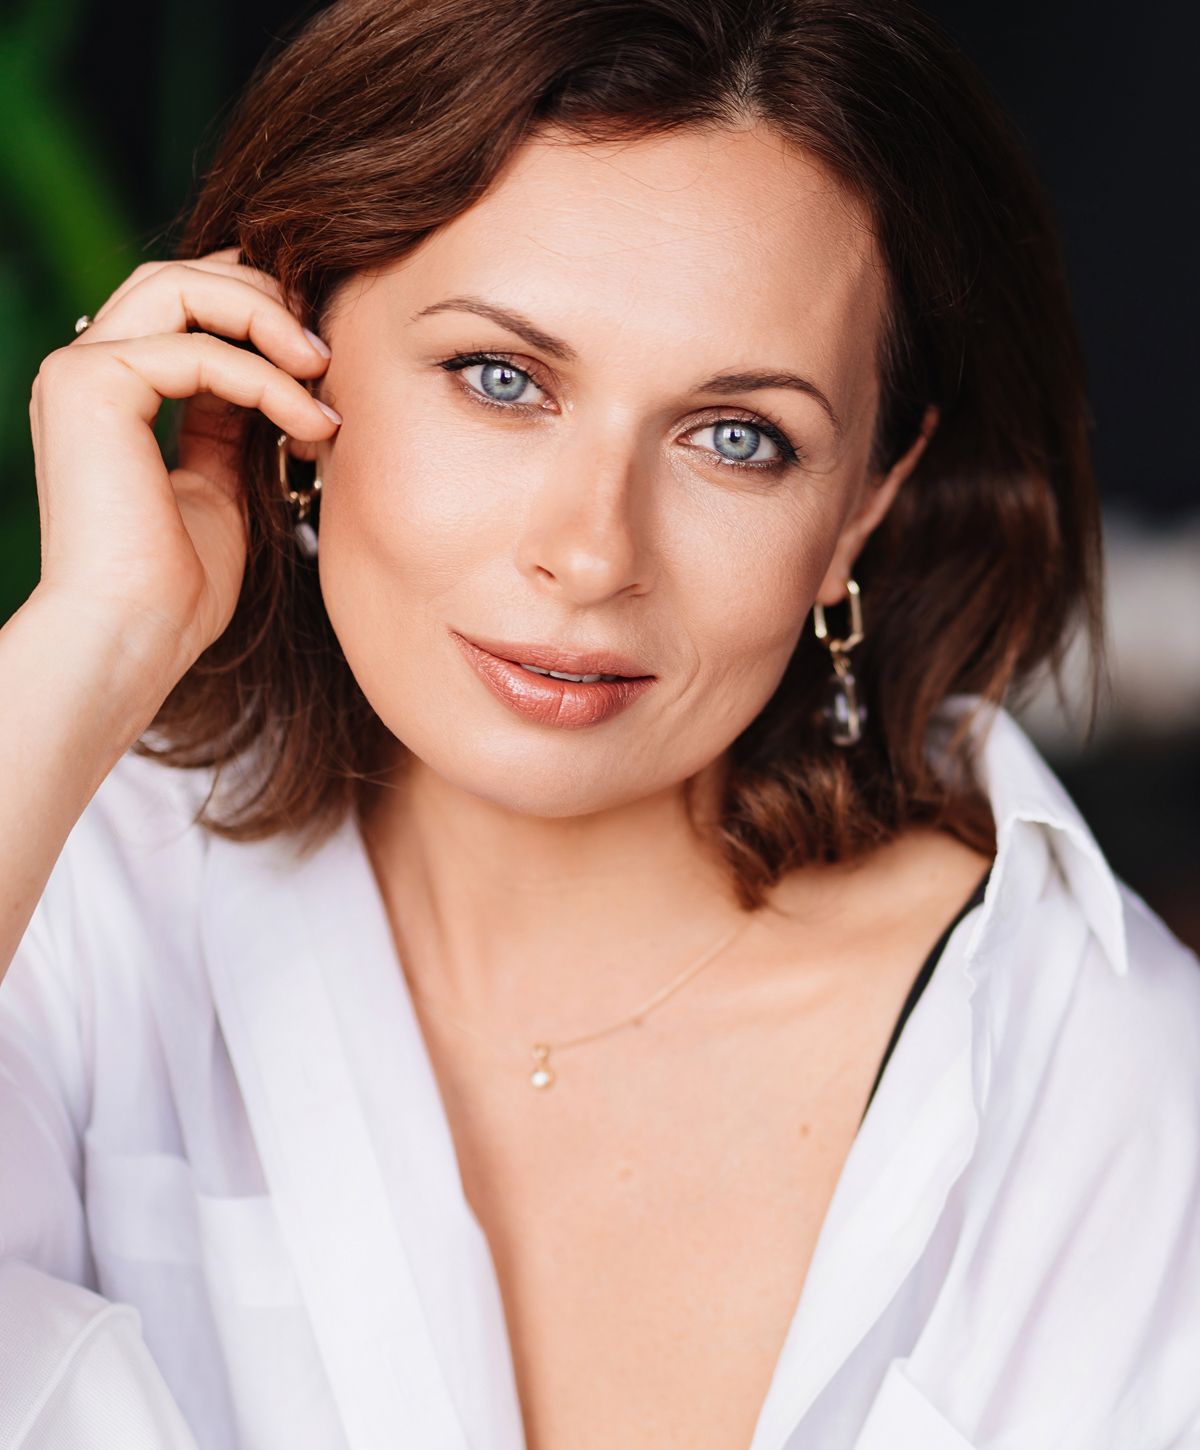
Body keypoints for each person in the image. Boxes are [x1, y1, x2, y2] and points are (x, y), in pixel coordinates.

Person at [2, 0, 1198, 1445]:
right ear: (285, 357)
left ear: (861, 507)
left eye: (736, 437)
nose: (590, 552)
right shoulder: (74, 887)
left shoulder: (1095, 1080)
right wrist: (86, 644)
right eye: (501, 379)